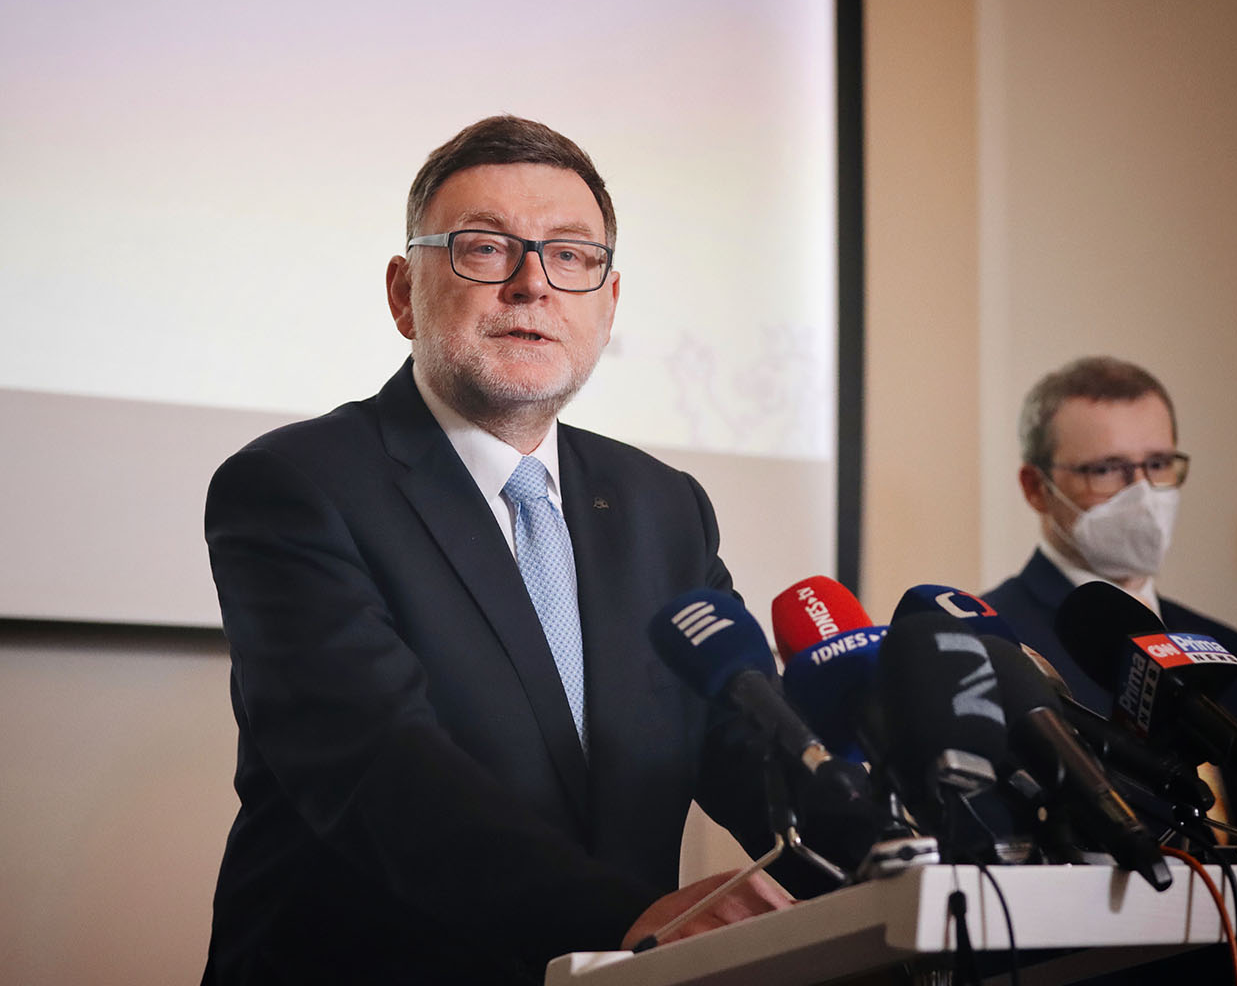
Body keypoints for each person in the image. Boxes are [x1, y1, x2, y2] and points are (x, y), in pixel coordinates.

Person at [199, 116, 817, 985]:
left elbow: (747, 745)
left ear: (608, 303)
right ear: (404, 294)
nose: (533, 284)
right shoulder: (295, 486)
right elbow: (378, 769)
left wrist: (903, 862)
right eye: (485, 249)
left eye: (570, 255)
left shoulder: (664, 508)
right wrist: (622, 919)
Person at [982, 356, 1237, 857]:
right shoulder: (991, 644)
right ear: (1036, 488)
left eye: (1158, 464)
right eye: (1106, 469)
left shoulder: (1236, 653)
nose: (1142, 493)